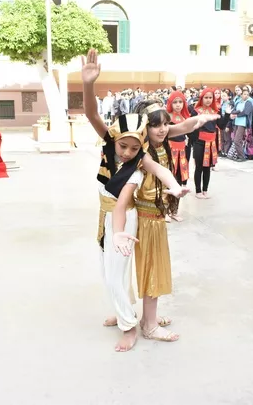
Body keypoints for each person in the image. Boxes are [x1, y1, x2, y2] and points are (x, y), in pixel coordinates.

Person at [81, 49, 212, 352]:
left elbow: (162, 167)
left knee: (123, 272)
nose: (127, 151)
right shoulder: (117, 143)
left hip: (133, 216)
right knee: (111, 273)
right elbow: (92, 115)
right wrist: (88, 85)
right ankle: (126, 313)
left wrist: (176, 188)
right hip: (111, 215)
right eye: (122, 145)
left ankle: (135, 324)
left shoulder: (142, 155)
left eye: (133, 146)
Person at [113, 100, 183, 346]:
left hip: (155, 217)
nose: (162, 129)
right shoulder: (142, 155)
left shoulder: (159, 148)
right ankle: (150, 326)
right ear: (145, 128)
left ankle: (148, 318)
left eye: (166, 124)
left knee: (154, 268)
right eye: (155, 125)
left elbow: (183, 128)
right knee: (152, 270)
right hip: (147, 219)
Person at [190, 88, 226, 198]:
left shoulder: (216, 111)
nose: (208, 100)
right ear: (202, 98)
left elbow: (221, 126)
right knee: (199, 167)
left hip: (211, 143)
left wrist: (227, 115)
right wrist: (192, 141)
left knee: (207, 167)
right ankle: (198, 191)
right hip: (199, 142)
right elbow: (191, 127)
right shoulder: (196, 111)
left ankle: (205, 190)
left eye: (210, 97)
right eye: (206, 97)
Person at [166, 90, 190, 222]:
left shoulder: (185, 118)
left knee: (178, 182)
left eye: (180, 102)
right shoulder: (166, 118)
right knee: (167, 182)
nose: (178, 104)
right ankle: (164, 211)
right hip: (170, 152)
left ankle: (174, 211)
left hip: (182, 154)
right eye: (175, 102)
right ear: (170, 103)